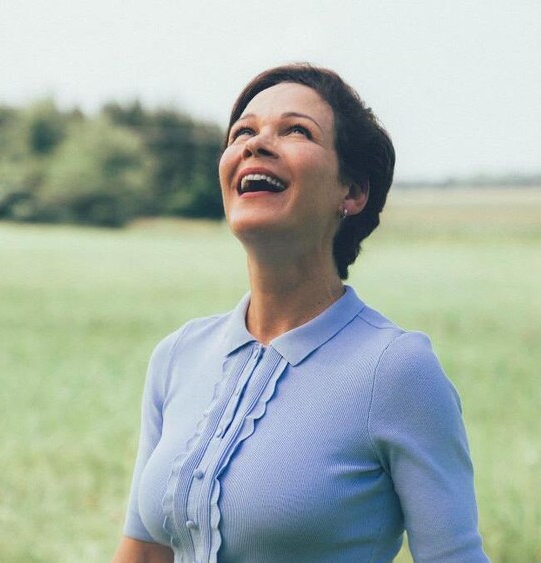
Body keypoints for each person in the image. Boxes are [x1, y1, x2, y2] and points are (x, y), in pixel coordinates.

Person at [112, 64, 488, 563]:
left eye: (295, 130)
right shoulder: (179, 355)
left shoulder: (396, 370)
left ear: (351, 192)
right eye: (243, 132)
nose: (256, 144)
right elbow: (143, 553)